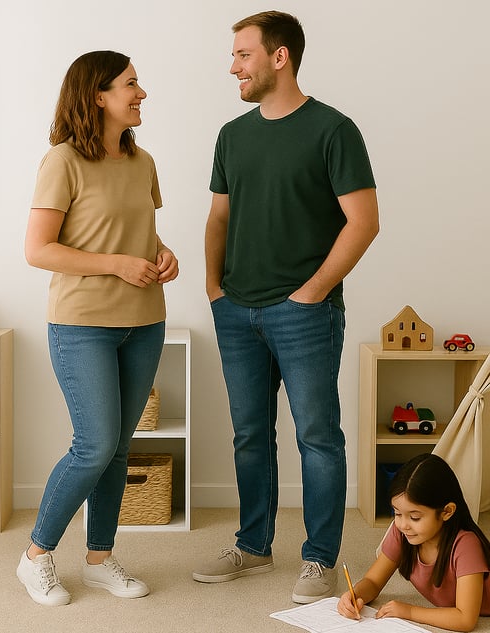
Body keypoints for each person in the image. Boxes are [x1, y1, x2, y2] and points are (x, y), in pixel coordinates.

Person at [194, 10, 379, 604]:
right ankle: (252, 547)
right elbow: (219, 216)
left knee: (318, 437)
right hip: (236, 310)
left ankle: (320, 559)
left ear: (280, 57)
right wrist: (213, 288)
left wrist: (315, 289)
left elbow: (364, 222)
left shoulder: (334, 129)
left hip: (305, 313)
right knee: (251, 435)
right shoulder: (232, 134)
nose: (233, 66)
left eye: (242, 55)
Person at [18, 50, 179, 607]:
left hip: (144, 321)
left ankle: (100, 559)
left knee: (118, 449)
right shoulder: (61, 161)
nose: (141, 93)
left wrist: (163, 255)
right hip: (82, 325)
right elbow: (38, 250)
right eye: (131, 84)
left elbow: (136, 231)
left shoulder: (143, 162)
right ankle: (37, 555)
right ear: (97, 96)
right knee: (94, 445)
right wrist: (115, 263)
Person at [338, 454, 490, 631]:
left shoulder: (466, 545)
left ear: (447, 512)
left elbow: (465, 619)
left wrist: (409, 611)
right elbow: (373, 581)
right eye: (397, 513)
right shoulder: (402, 533)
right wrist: (355, 595)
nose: (403, 525)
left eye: (415, 517)